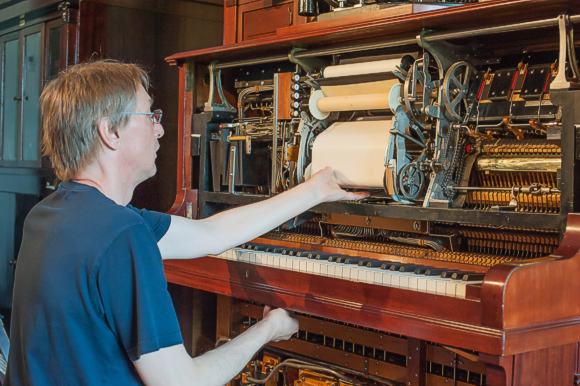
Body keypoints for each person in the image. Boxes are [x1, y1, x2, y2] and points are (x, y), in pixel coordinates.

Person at [5, 60, 367, 386]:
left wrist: (315, 190)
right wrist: (268, 329)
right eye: (150, 117)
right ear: (110, 132)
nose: (160, 131)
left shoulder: (51, 214)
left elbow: (210, 235)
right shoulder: (121, 235)